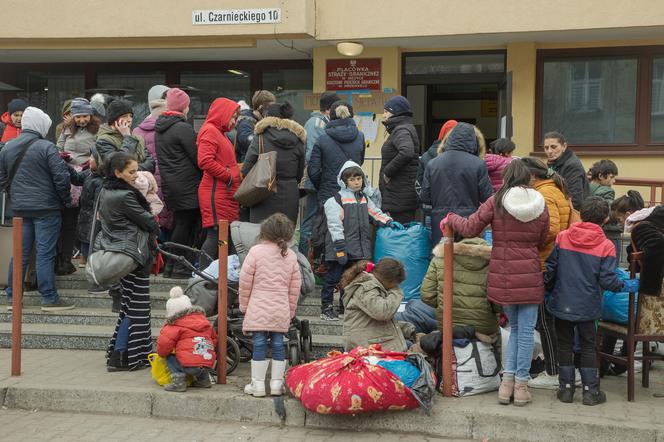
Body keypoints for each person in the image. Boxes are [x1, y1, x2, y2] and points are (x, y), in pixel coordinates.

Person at [444, 160, 550, 406]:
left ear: (506, 178)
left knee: (514, 329)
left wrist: (451, 218)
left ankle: (506, 385)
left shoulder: (497, 201)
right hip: (530, 273)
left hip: (503, 273)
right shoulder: (539, 203)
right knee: (525, 331)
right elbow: (544, 238)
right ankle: (521, 386)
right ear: (528, 179)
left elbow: (470, 228)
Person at [544, 196, 639, 405]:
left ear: (582, 214)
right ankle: (590, 392)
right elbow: (609, 281)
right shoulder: (606, 245)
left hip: (561, 303)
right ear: (605, 219)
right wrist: (631, 285)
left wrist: (548, 293)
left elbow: (550, 270)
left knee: (565, 345)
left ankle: (566, 390)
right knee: (588, 346)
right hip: (589, 306)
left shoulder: (562, 237)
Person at [0, 106, 74, 311]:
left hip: (20, 210)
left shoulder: (7, 147)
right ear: (41, 125)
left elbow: (2, 179)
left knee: (19, 254)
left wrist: (17, 194)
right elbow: (61, 178)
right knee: (45, 253)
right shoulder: (47, 147)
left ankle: (13, 298)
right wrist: (64, 200)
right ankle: (49, 298)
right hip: (47, 209)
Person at [99, 152, 160, 372]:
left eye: (136, 170)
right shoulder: (125, 196)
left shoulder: (107, 190)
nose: (136, 176)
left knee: (130, 308)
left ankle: (122, 354)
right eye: (131, 172)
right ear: (118, 173)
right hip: (133, 255)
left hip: (123, 253)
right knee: (137, 309)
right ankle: (124, 356)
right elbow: (149, 221)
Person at [321, 161, 395, 321]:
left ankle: (344, 306)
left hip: (357, 249)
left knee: (351, 279)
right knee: (333, 278)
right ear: (344, 181)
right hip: (339, 247)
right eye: (352, 179)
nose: (356, 182)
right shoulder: (335, 200)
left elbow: (375, 213)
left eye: (358, 178)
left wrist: (388, 221)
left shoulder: (364, 199)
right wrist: (340, 247)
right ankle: (326, 307)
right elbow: (334, 225)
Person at [521, 157, 571, 390]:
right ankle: (562, 369)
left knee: (544, 320)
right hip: (554, 260)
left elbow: (551, 229)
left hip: (544, 262)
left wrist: (528, 238)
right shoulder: (553, 190)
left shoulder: (544, 194)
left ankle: (553, 371)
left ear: (532, 176)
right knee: (552, 320)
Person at [239, 213, 301, 397]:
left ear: (264, 232)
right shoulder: (290, 256)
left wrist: (244, 306)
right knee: (278, 344)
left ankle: (257, 384)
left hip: (257, 306)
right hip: (280, 308)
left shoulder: (256, 252)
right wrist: (290, 310)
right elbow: (295, 287)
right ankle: (276, 384)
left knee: (258, 342)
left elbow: (244, 281)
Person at [155, 88, 203, 278]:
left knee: (179, 224)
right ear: (183, 107)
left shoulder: (161, 128)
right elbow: (197, 158)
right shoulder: (182, 128)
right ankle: (178, 267)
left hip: (171, 185)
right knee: (186, 225)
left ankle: (170, 267)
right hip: (187, 186)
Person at [421, 122, 493, 246]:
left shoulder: (433, 164)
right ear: (473, 141)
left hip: (440, 220)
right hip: (469, 221)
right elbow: (486, 196)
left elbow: (425, 197)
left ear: (450, 139)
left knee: (442, 258)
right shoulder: (478, 164)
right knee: (467, 259)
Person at [421, 237, 500, 339]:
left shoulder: (441, 258)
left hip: (449, 327)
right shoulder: (495, 262)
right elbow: (500, 304)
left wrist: (443, 304)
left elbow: (427, 296)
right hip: (485, 330)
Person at [241, 102, 305, 224]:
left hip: (263, 194)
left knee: (262, 236)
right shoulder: (298, 140)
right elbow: (299, 174)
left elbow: (246, 169)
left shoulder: (260, 138)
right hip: (290, 194)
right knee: (285, 236)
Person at [55, 97, 100, 273]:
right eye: (78, 117)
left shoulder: (97, 130)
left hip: (87, 174)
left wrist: (90, 162)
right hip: (68, 174)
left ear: (91, 115)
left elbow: (99, 150)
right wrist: (62, 156)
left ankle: (85, 254)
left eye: (85, 116)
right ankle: (68, 255)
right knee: (70, 216)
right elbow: (58, 147)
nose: (82, 120)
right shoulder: (66, 129)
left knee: (86, 215)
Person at [197, 97, 241, 269]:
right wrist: (228, 176)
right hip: (216, 193)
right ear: (223, 114)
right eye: (232, 117)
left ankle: (223, 275)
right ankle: (203, 276)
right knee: (215, 234)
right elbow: (204, 161)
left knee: (225, 236)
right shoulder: (210, 131)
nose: (234, 121)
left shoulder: (218, 132)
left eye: (236, 118)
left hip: (223, 192)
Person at [300, 92, 340, 255]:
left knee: (318, 219)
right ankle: (304, 260)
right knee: (310, 221)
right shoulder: (317, 123)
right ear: (329, 109)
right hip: (317, 181)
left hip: (320, 180)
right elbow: (313, 156)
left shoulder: (322, 123)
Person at [156, 286, 217, 392]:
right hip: (207, 363)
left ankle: (178, 383)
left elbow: (164, 346)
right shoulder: (204, 322)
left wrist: (162, 355)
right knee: (198, 357)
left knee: (169, 356)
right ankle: (204, 380)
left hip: (189, 366)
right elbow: (213, 340)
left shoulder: (174, 325)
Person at [340, 258, 407, 351]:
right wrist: (396, 292)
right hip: (364, 345)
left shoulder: (372, 286)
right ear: (390, 281)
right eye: (396, 284)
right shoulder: (366, 288)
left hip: (368, 340)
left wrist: (407, 329)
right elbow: (383, 312)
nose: (396, 286)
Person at [134, 84, 172, 237]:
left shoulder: (137, 131)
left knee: (155, 219)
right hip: (168, 179)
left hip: (149, 183)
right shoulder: (172, 126)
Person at [379, 95, 420, 224]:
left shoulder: (401, 130)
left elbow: (407, 152)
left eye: (386, 111)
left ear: (395, 112)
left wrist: (387, 172)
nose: (383, 115)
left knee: (401, 236)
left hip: (400, 195)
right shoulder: (402, 128)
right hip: (399, 194)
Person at [416, 119, 457, 229]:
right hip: (457, 213)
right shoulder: (463, 157)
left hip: (431, 210)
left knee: (432, 244)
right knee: (453, 245)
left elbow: (418, 184)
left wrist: (426, 202)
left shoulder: (426, 156)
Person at [95, 99, 155, 173]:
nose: (129, 120)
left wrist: (132, 171)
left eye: (131, 116)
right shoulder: (103, 140)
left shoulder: (137, 138)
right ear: (114, 120)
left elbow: (151, 164)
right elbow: (118, 165)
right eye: (125, 116)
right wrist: (127, 137)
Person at [543, 131, 589, 210]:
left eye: (553, 147)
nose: (549, 151)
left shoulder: (572, 165)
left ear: (564, 146)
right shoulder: (553, 162)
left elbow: (575, 199)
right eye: (546, 148)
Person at [234, 90, 276, 163]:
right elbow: (248, 142)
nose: (271, 111)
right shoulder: (245, 122)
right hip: (249, 169)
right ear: (260, 107)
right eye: (269, 108)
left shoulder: (261, 121)